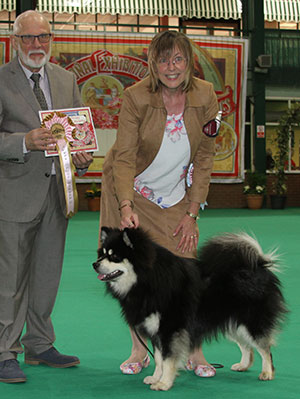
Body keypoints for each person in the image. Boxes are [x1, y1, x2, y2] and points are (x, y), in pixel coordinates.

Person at [100, 31, 220, 378]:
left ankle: (193, 351)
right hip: (128, 188)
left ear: (189, 62)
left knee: (184, 270)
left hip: (173, 193)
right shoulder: (135, 96)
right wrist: (125, 207)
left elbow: (206, 157)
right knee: (132, 272)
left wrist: (192, 213)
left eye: (178, 59)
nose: (171, 67)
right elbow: (123, 157)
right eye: (163, 59)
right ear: (153, 63)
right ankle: (140, 349)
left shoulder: (206, 95)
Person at [0, 10, 93, 383]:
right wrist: (24, 141)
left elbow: (76, 135)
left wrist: (83, 158)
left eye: (44, 37)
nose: (37, 45)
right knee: (9, 280)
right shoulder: (1, 80)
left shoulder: (66, 78)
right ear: (14, 41)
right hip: (14, 196)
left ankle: (39, 343)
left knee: (46, 277)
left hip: (57, 194)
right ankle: (5, 350)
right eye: (28, 38)